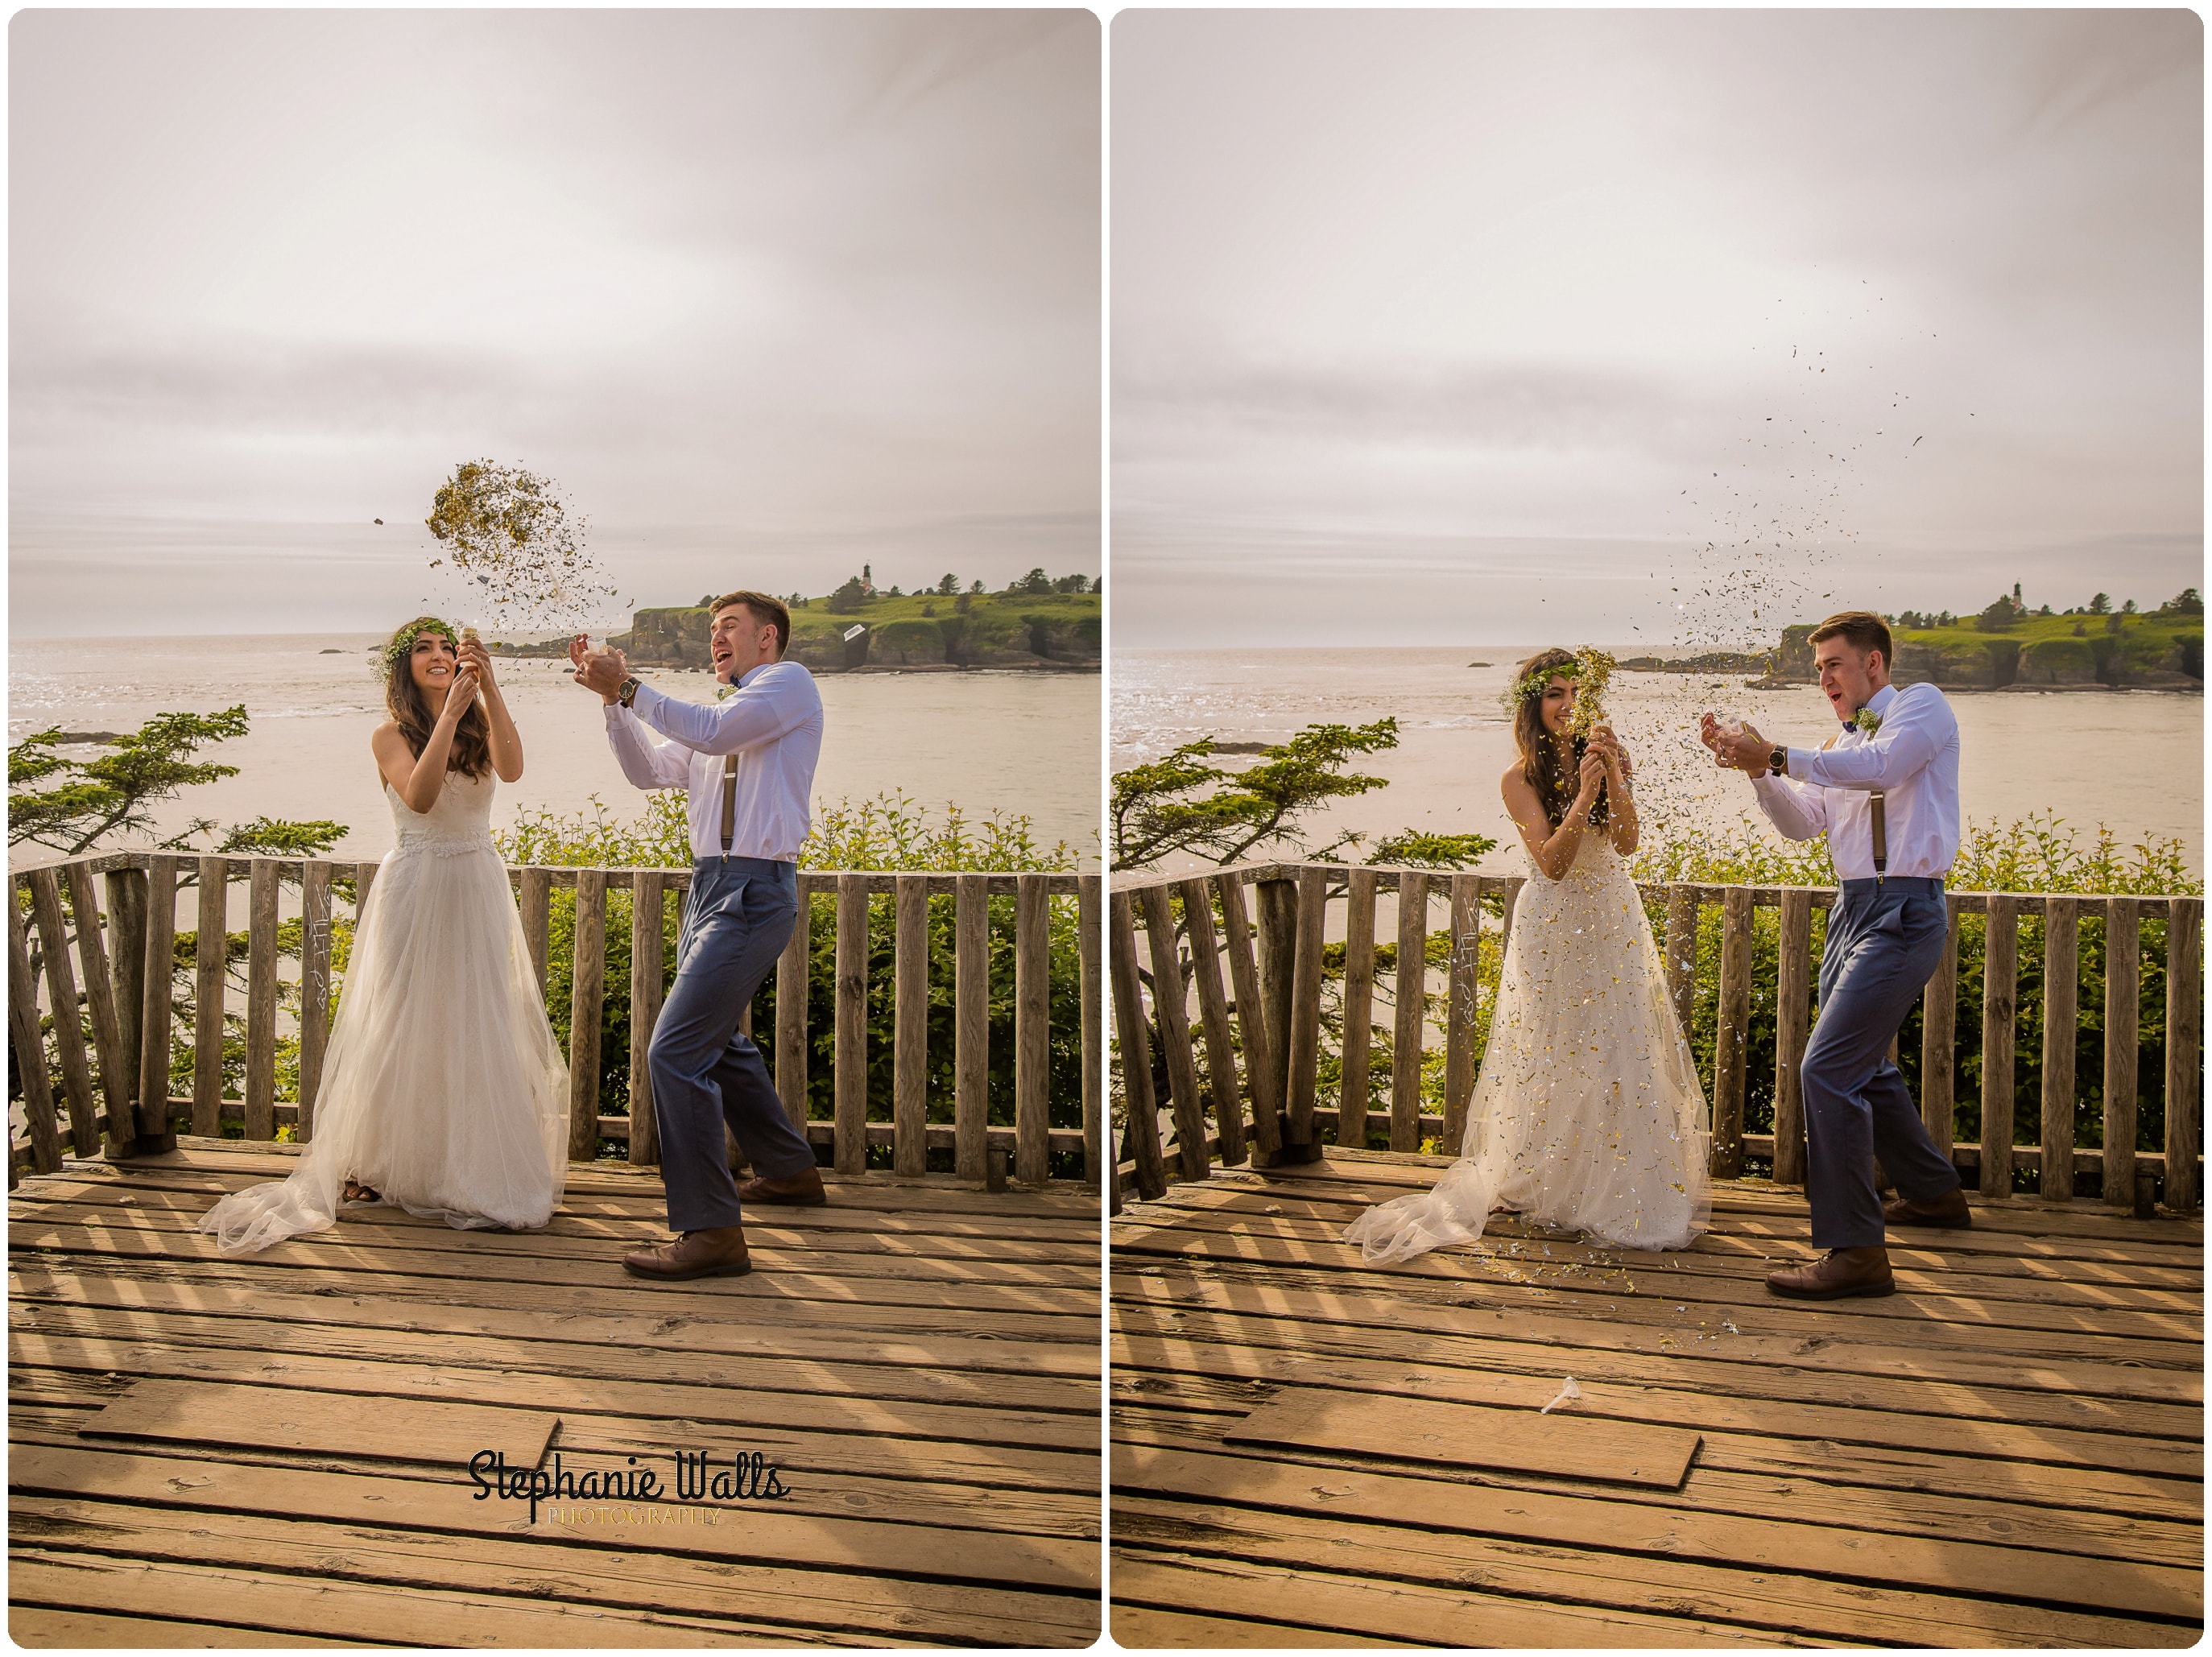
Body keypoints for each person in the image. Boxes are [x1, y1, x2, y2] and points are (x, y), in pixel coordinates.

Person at [198, 619, 569, 1254]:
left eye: (447, 648)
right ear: (403, 668)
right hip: (418, 882)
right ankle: (381, 1163)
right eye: (423, 649)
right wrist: (450, 712)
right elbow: (422, 798)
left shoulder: (478, 723)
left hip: (476, 881)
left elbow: (512, 768)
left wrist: (491, 692)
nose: (439, 656)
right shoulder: (388, 734)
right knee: (404, 1019)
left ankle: (466, 1167)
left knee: (476, 1016)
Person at [1344, 648, 1711, 1265]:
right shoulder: (1517, 778)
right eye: (1554, 694)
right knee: (1555, 1046)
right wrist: (1582, 793)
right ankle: (1547, 1179)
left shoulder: (1608, 758)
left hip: (1612, 916)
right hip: (1554, 923)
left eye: (1575, 692)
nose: (1567, 704)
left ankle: (1616, 1187)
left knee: (1621, 1042)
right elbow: (1553, 862)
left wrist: (1613, 778)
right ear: (1532, 705)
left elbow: (1625, 842)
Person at [1701, 609, 1970, 1300]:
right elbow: (1801, 824)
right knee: (1864, 1068)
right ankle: (1935, 1195)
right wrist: (1757, 775)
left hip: (1905, 909)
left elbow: (1883, 766)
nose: (1822, 678)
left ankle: (1856, 1254)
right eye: (1817, 667)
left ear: (1873, 665)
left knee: (1825, 1070)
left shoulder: (1921, 708)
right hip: (1852, 911)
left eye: (1833, 665)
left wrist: (1777, 755)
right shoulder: (1835, 746)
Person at [571, 590, 826, 1281]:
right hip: (711, 887)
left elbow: (713, 731)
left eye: (729, 628)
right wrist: (611, 703)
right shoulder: (724, 721)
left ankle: (712, 1232)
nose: (715, 638)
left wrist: (627, 685)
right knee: (722, 1043)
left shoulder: (786, 686)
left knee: (675, 1052)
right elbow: (647, 771)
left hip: (751, 888)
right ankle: (789, 1171)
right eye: (711, 629)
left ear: (767, 637)